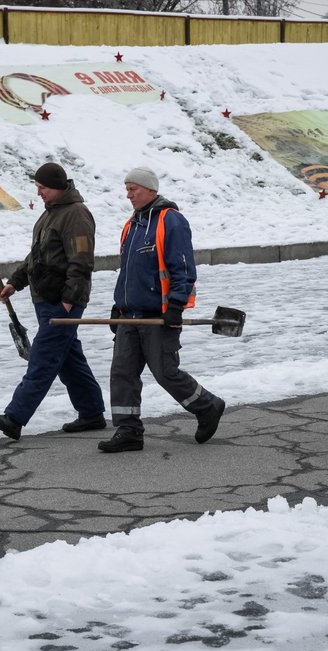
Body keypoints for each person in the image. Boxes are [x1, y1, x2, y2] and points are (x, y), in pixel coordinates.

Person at [98, 167, 226, 453]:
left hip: (158, 315)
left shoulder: (171, 221)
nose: (128, 194)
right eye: (127, 189)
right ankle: (128, 430)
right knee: (122, 373)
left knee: (165, 372)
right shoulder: (132, 225)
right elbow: (128, 273)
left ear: (150, 189)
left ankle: (207, 406)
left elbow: (183, 267)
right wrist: (118, 306)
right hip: (130, 315)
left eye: (133, 188)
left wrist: (177, 305)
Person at [0, 162, 106, 441]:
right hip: (46, 299)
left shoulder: (76, 215)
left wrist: (69, 301)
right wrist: (14, 283)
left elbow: (82, 261)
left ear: (58, 187)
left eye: (43, 188)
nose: (38, 192)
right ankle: (92, 413)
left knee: (44, 359)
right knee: (68, 359)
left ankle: (14, 417)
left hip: (62, 301)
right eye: (37, 187)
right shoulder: (49, 215)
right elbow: (36, 257)